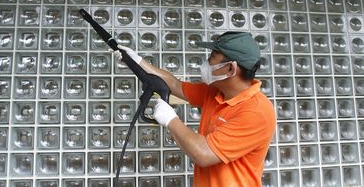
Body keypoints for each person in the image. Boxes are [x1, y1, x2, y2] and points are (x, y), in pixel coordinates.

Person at [113, 31, 276, 187]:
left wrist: (171, 120)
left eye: (212, 58)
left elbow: (204, 154)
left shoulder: (257, 112)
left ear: (230, 69)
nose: (206, 63)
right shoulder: (216, 92)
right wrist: (137, 61)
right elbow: (175, 85)